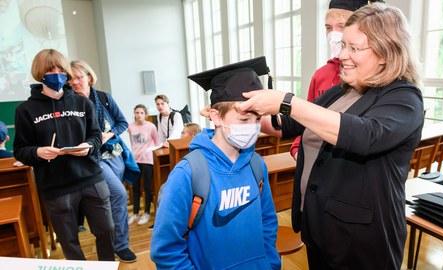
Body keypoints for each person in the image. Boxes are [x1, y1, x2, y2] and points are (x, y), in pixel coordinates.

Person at [237, 3, 424, 269]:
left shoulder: (404, 97)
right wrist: (240, 109)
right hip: (321, 227)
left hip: (361, 240)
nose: (342, 54)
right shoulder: (341, 91)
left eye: (354, 48)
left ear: (385, 53)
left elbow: (365, 135)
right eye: (343, 45)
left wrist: (287, 101)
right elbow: (286, 125)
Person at [150, 56, 281, 269]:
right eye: (244, 119)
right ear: (216, 117)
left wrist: (271, 264)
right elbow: (166, 250)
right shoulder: (188, 173)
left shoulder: (257, 164)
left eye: (257, 119)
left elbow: (267, 222)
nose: (253, 127)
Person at [13, 49, 115, 261]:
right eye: (51, 70)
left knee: (106, 231)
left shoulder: (82, 103)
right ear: (40, 73)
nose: (57, 74)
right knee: (69, 242)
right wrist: (38, 152)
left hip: (91, 178)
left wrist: (89, 145)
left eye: (61, 69)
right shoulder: (25, 110)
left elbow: (96, 135)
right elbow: (20, 150)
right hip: (56, 187)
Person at [290, 0, 384, 160]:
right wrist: (297, 148)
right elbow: (305, 119)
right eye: (328, 28)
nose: (334, 34)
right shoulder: (321, 75)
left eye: (342, 26)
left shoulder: (377, 79)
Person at [70, 60, 138, 263]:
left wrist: (108, 134)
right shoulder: (70, 103)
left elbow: (122, 122)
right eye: (71, 78)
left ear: (89, 77)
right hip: (92, 158)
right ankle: (121, 245)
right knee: (117, 194)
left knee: (111, 200)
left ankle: (111, 244)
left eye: (79, 77)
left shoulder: (103, 98)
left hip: (114, 155)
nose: (74, 82)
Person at [127, 104, 160, 226]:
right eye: (137, 112)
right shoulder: (130, 127)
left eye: (141, 112)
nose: (139, 115)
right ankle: (135, 213)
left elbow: (157, 142)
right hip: (135, 161)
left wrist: (148, 151)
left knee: (147, 187)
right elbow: (132, 143)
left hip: (148, 160)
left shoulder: (151, 126)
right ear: (134, 114)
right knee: (135, 188)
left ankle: (146, 212)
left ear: (145, 114)